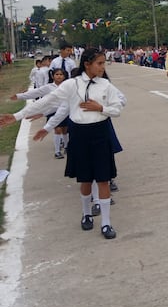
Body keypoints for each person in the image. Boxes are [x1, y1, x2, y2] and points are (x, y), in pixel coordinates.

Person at [0, 48, 125, 239]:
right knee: (84, 179)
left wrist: (100, 108)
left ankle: (107, 223)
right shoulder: (71, 85)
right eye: (99, 63)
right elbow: (45, 101)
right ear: (87, 64)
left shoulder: (105, 85)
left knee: (103, 179)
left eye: (103, 63)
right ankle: (86, 214)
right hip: (81, 135)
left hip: (100, 134)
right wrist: (17, 116)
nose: (102, 67)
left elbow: (117, 109)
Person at [11, 67, 70, 158]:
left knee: (65, 130)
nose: (59, 76)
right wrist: (20, 96)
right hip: (52, 111)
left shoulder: (67, 86)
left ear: (65, 76)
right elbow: (35, 92)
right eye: (57, 74)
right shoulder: (49, 87)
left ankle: (66, 147)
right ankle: (57, 151)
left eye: (61, 74)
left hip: (65, 111)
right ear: (53, 76)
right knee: (57, 130)